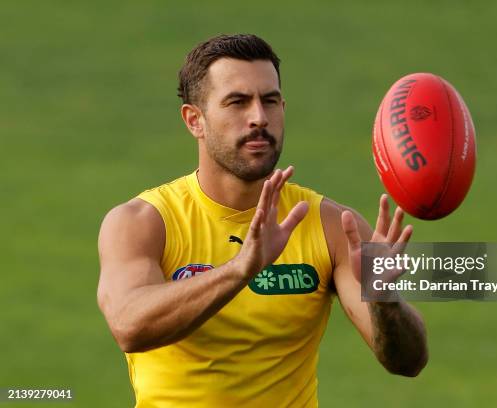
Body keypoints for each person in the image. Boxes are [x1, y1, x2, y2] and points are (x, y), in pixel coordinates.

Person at [97, 33, 428, 407]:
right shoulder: (143, 222)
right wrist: (242, 268)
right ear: (195, 120)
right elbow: (129, 326)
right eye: (237, 102)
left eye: (269, 101)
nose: (258, 118)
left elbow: (408, 362)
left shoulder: (331, 225)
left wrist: (385, 301)